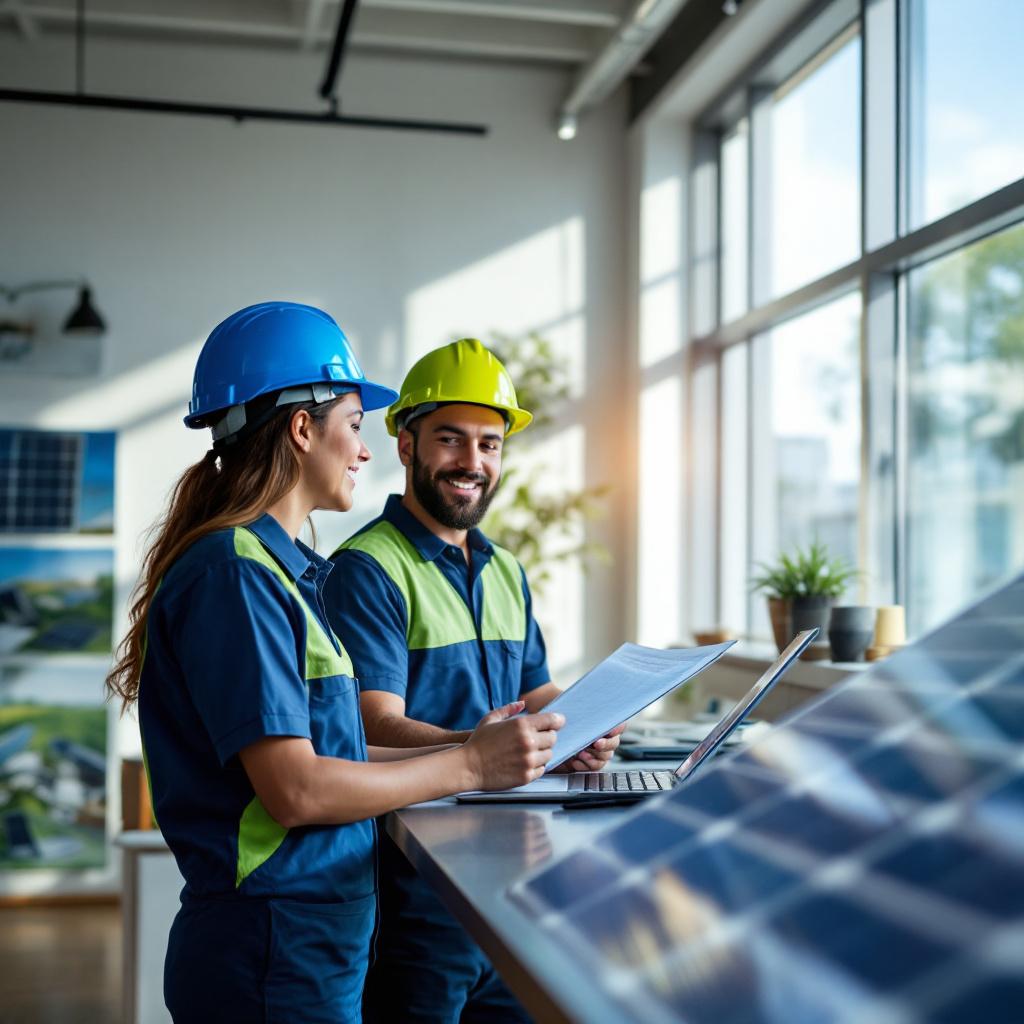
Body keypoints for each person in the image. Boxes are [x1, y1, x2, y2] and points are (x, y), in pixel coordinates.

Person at [105, 306, 564, 1024]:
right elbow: (295, 789)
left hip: (312, 944)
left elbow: (335, 751)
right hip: (271, 948)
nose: (363, 452)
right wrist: (470, 765)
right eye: (354, 424)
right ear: (301, 428)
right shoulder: (235, 576)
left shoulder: (281, 572)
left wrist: (472, 745)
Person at [324, 338, 623, 1023]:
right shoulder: (368, 569)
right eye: (450, 439)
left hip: (514, 883)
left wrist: (587, 723)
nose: (472, 461)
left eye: (490, 444)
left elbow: (536, 691)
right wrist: (483, 751)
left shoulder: (506, 569)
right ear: (406, 446)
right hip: (418, 891)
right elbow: (367, 725)